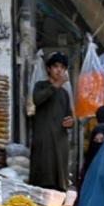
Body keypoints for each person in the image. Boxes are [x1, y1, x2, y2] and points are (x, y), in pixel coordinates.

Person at [30, 52, 75, 191]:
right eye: (55, 66)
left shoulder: (64, 93)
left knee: (59, 183)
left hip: (60, 141)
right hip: (44, 140)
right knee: (43, 179)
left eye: (62, 67)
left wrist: (70, 122)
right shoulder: (41, 86)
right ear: (49, 69)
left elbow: (69, 116)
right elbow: (37, 100)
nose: (59, 70)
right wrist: (55, 85)